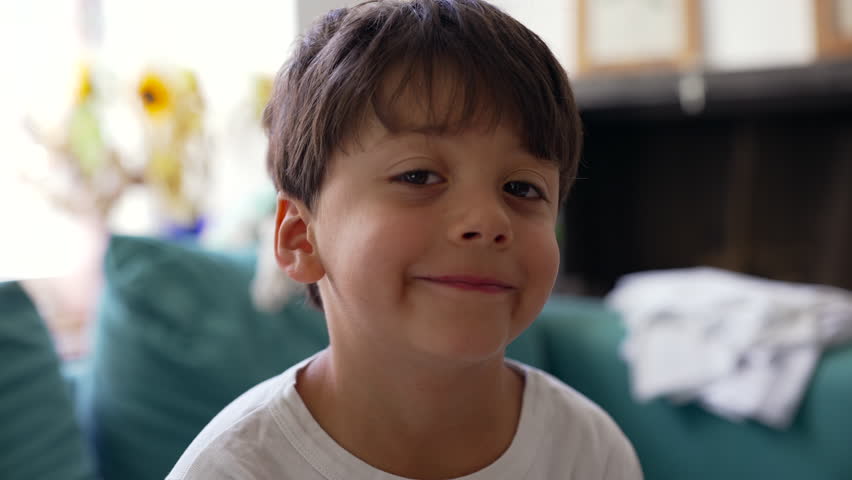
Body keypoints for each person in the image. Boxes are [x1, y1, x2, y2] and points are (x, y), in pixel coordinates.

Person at [167, 1, 643, 478]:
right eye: (419, 176)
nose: (488, 219)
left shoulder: (589, 453)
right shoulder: (234, 468)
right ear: (301, 239)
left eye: (521, 188)